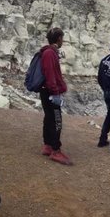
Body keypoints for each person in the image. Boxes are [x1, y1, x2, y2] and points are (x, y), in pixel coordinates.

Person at [36, 28, 73, 165]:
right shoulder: (50, 53)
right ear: (58, 39)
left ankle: (48, 145)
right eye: (62, 38)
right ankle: (56, 150)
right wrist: (55, 92)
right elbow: (50, 75)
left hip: (46, 91)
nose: (62, 41)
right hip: (51, 92)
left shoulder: (48, 52)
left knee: (49, 118)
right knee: (57, 120)